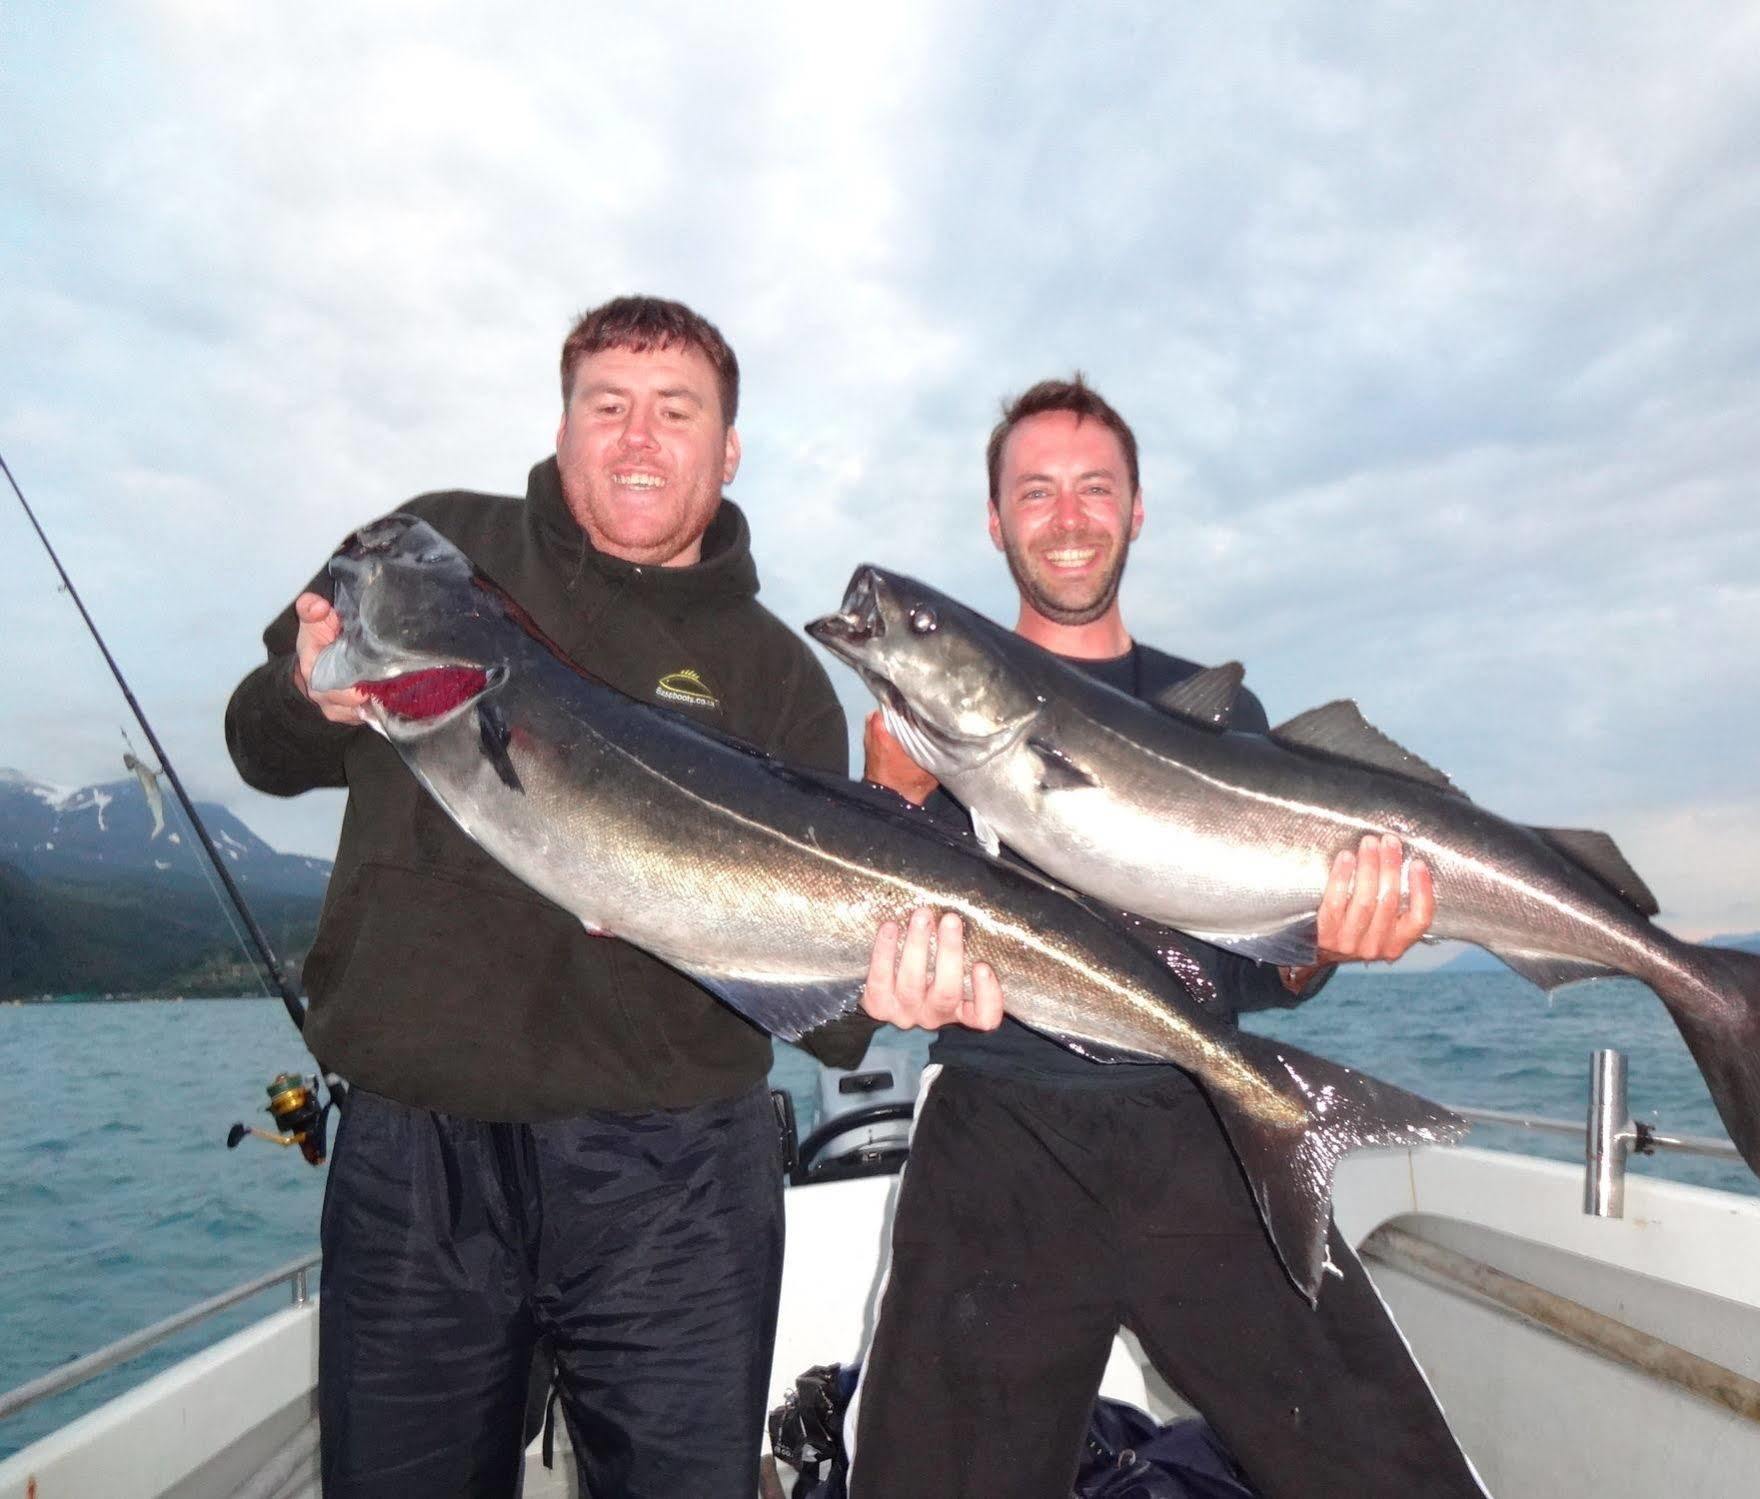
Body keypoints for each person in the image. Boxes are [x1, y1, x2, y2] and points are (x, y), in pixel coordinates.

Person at [225, 297, 880, 1499]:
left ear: (727, 449)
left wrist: (879, 988)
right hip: (417, 1159)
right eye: (607, 405)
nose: (638, 437)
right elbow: (260, 746)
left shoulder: (780, 676)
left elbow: (825, 995)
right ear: (564, 422)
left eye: (675, 411)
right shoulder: (419, 553)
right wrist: (297, 691)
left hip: (674, 1179)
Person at [847, 377, 1489, 1498]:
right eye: (1034, 491)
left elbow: (1266, 972)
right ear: (994, 520)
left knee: (1391, 1471)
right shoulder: (919, 722)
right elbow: (869, 934)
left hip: (1199, 1117)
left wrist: (1328, 940)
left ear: (1136, 509)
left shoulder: (1216, 713)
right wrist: (891, 808)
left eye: (1095, 487)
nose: (1068, 515)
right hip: (998, 1129)